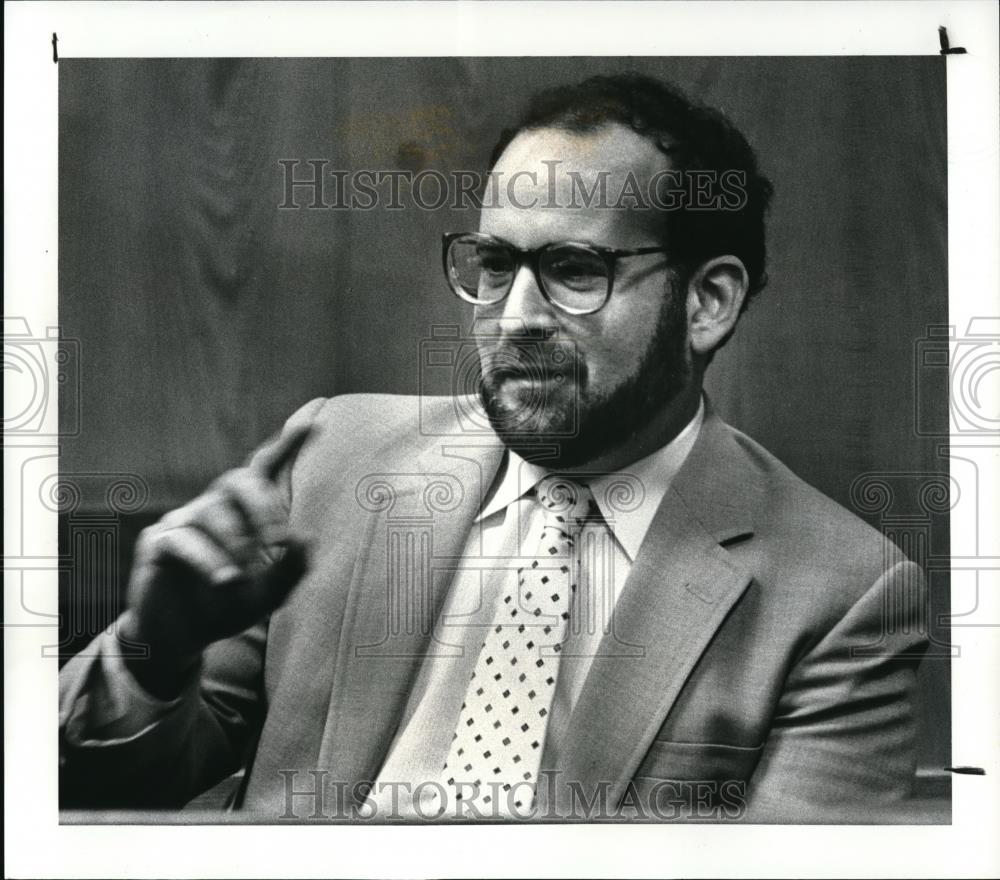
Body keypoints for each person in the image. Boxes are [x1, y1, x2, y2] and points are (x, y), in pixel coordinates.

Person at [59, 74, 928, 823]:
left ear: (708, 303)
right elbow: (87, 786)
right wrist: (156, 652)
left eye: (575, 271)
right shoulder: (333, 458)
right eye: (494, 265)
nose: (514, 319)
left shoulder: (845, 597)